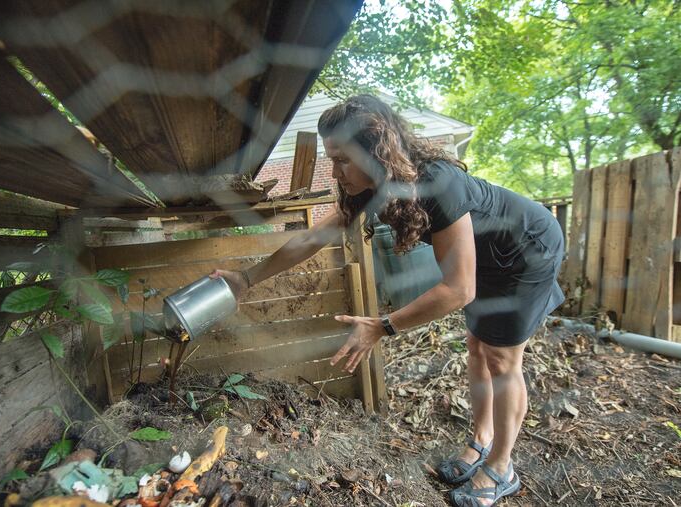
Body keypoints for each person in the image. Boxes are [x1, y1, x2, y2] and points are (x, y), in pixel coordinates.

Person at [212, 94, 564, 506]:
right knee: (476, 348)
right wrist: (246, 279)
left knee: (503, 359)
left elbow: (457, 289)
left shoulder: (436, 181)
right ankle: (482, 441)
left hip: (526, 250)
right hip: (482, 258)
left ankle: (503, 468)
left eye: (342, 158)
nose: (335, 170)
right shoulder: (370, 185)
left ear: (375, 150)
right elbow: (312, 237)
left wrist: (383, 326)